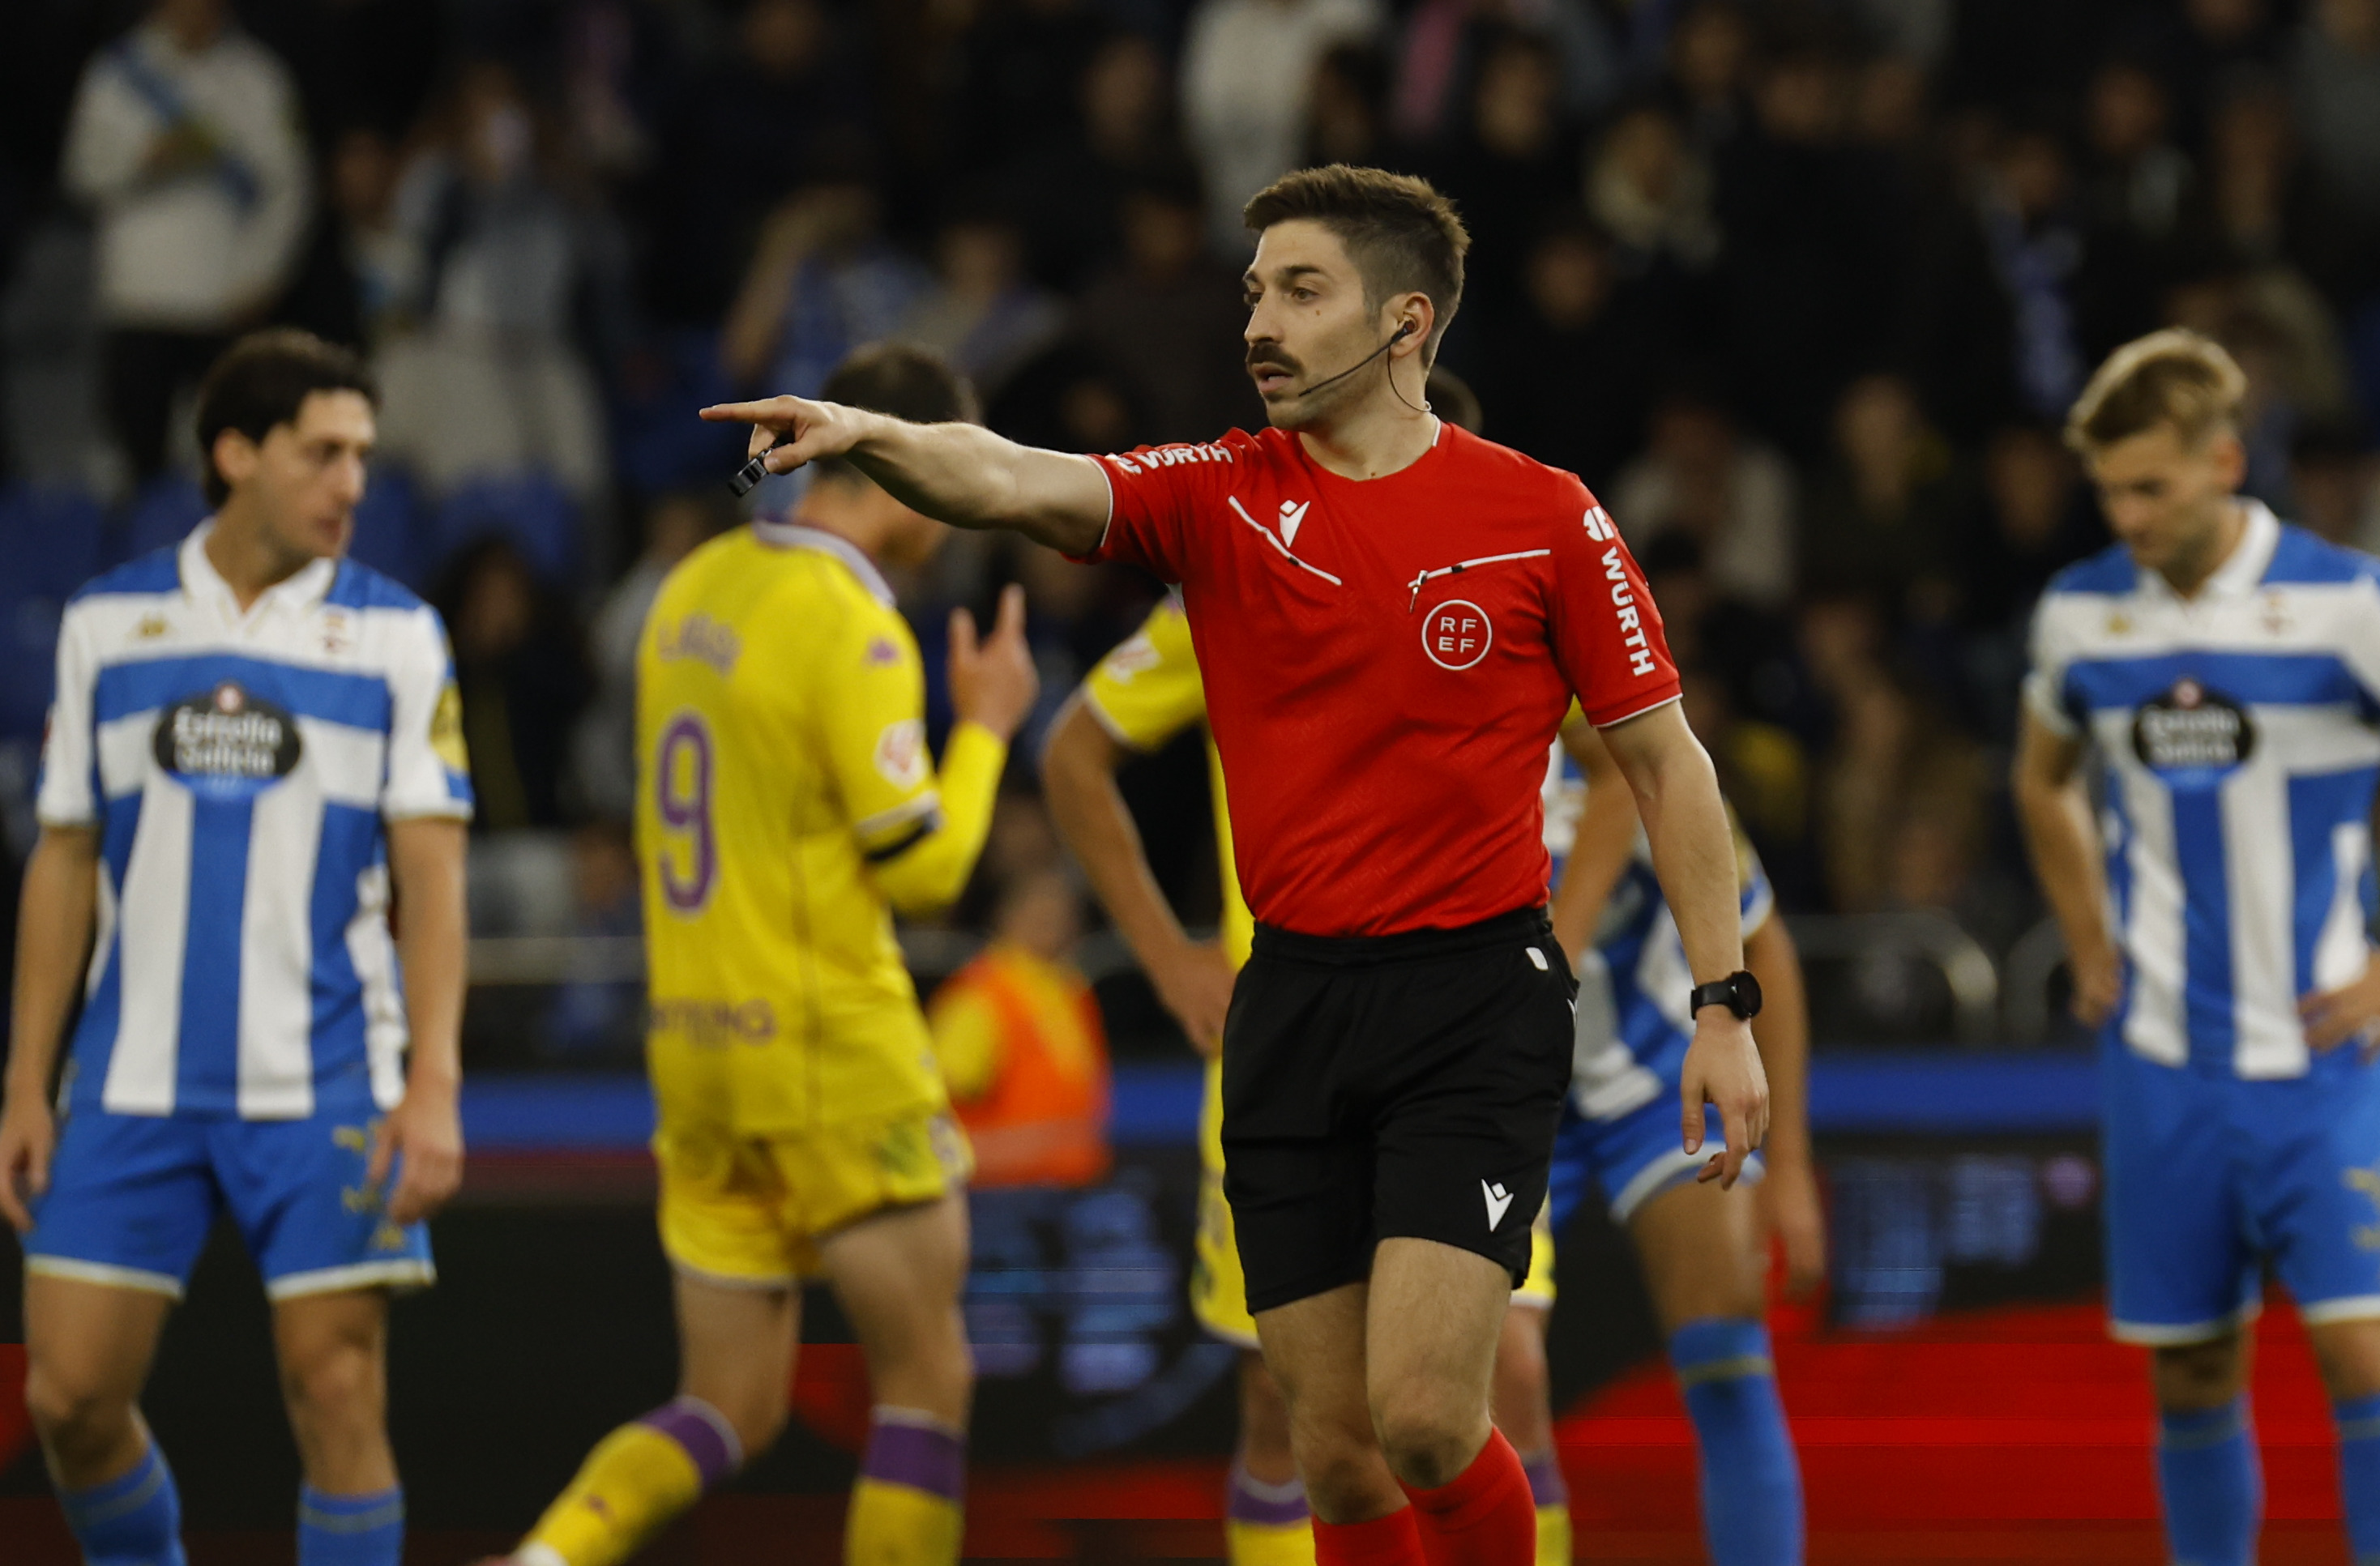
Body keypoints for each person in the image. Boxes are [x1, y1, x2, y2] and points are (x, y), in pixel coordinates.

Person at [706, 164, 1767, 1566]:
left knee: (1435, 1420)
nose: (1259, 321)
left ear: (1405, 324)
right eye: (1254, 290)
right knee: (1331, 1453)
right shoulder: (1220, 496)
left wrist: (1721, 1001)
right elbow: (1019, 478)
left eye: (1300, 289)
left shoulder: (1545, 514)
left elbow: (1665, 761)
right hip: (1290, 1005)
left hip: (1473, 1000)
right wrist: (874, 433)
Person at [482, 344, 1037, 1566]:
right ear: (898, 455)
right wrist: (989, 728)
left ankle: (545, 1560)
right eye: (959, 467)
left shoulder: (688, 591)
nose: (968, 504)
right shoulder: (852, 620)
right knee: (926, 1379)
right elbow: (928, 873)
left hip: (694, 1053)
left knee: (725, 1403)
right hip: (831, 1047)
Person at [2011, 329, 2380, 1566]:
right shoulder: (2082, 614)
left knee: (2365, 1350)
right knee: (2194, 1369)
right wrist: (2090, 932)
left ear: (2225, 459)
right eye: (2109, 490)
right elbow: (2041, 780)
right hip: (2159, 1061)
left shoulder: (2349, 601)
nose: (2126, 515)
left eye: (2150, 487)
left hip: (2319, 1056)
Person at [0, 329, 471, 1566]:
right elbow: (63, 855)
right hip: (129, 1079)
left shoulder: (399, 638)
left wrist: (435, 1081)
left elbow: (435, 874)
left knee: (337, 1395)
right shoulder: (111, 624)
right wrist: (23, 1081)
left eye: (363, 455)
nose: (353, 483)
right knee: (68, 1400)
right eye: (323, 453)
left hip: (324, 1077)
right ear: (235, 453)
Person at [1041, 591, 1569, 1566]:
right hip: (1283, 1053)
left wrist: (1557, 948)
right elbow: (1074, 751)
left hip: (1461, 1048)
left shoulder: (1504, 552)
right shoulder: (1232, 575)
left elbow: (1640, 757)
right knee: (1290, 1412)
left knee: (1505, 1379)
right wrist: (1165, 954)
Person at [1539, 720, 1822, 1566]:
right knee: (1490, 1384)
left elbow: (1763, 936)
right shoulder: (1445, 758)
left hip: (1655, 1081)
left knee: (1726, 1342)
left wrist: (1794, 1169)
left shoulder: (1650, 754)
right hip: (1496, 1099)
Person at [62, 0, 314, 489]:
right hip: (139, 303)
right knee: (139, 468)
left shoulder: (258, 76)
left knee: (234, 467)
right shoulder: (116, 73)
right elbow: (81, 173)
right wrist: (145, 158)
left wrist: (262, 276)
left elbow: (292, 189)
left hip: (225, 305)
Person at [925, 868, 1114, 1188]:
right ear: (1006, 915)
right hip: (1003, 1195)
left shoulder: (1070, 990)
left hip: (1071, 1185)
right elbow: (943, 1095)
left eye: (1060, 912)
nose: (1050, 921)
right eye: (1038, 910)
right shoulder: (980, 996)